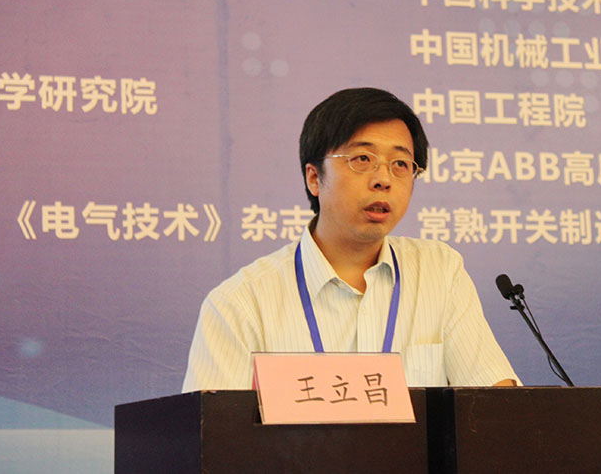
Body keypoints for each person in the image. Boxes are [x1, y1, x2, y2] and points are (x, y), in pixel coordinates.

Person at [182, 88, 521, 391]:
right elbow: (215, 435)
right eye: (362, 159)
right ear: (314, 178)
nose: (383, 179)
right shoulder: (239, 305)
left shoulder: (439, 272)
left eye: (400, 163)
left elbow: (495, 403)